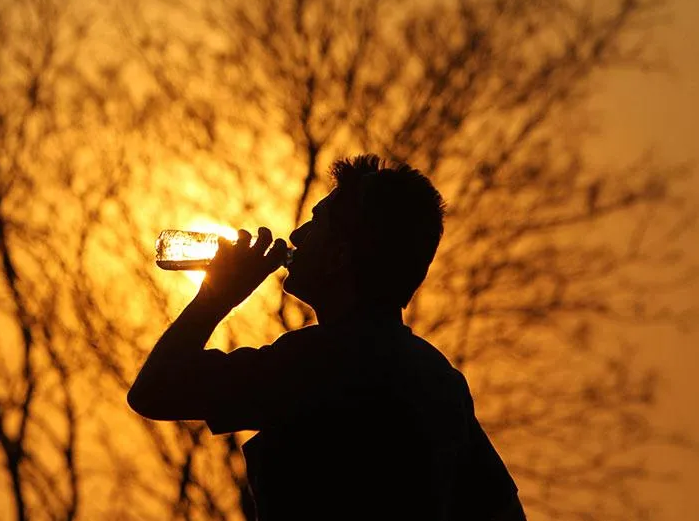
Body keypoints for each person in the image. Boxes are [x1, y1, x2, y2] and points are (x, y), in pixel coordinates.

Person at [128, 154, 525, 520]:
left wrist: (217, 297)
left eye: (317, 223)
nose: (297, 235)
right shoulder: (439, 378)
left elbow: (155, 390)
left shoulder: (319, 363)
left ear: (339, 256)